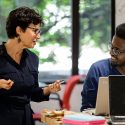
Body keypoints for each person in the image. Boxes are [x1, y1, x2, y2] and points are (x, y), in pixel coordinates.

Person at [0, 6, 61, 125]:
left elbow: (33, 94)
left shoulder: (33, 59)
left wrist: (49, 89)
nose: (38, 36)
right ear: (19, 30)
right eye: (34, 30)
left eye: (39, 31)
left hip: (26, 119)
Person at [81, 23, 125, 112]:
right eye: (111, 47)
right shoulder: (98, 70)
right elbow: (86, 109)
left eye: (117, 50)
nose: (111, 52)